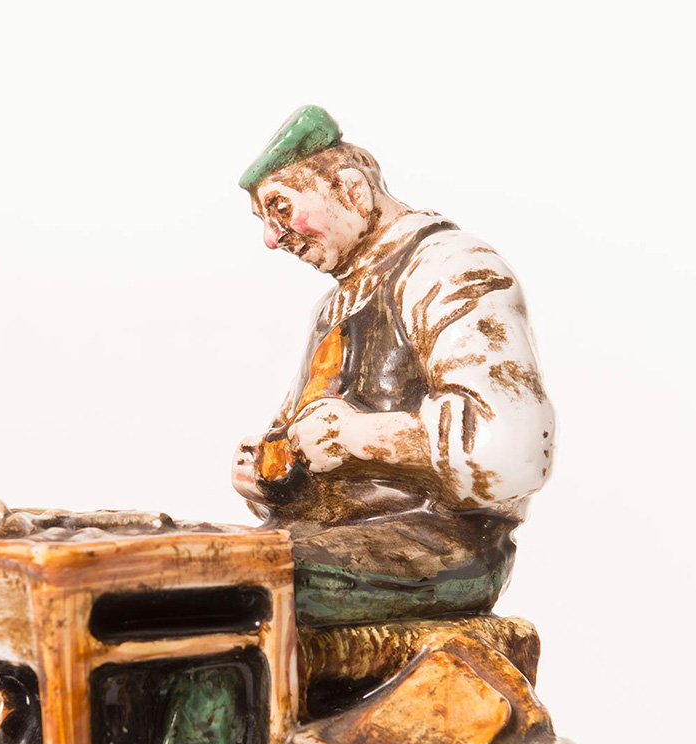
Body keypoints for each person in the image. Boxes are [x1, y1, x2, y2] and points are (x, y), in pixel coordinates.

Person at [234, 106, 555, 626]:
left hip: (439, 547)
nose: (273, 238)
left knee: (230, 588)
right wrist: (273, 472)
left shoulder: (450, 267)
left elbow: (514, 449)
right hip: (330, 536)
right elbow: (305, 440)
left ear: (351, 191)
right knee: (173, 563)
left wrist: (361, 438)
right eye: (265, 221)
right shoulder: (335, 305)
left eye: (282, 209)